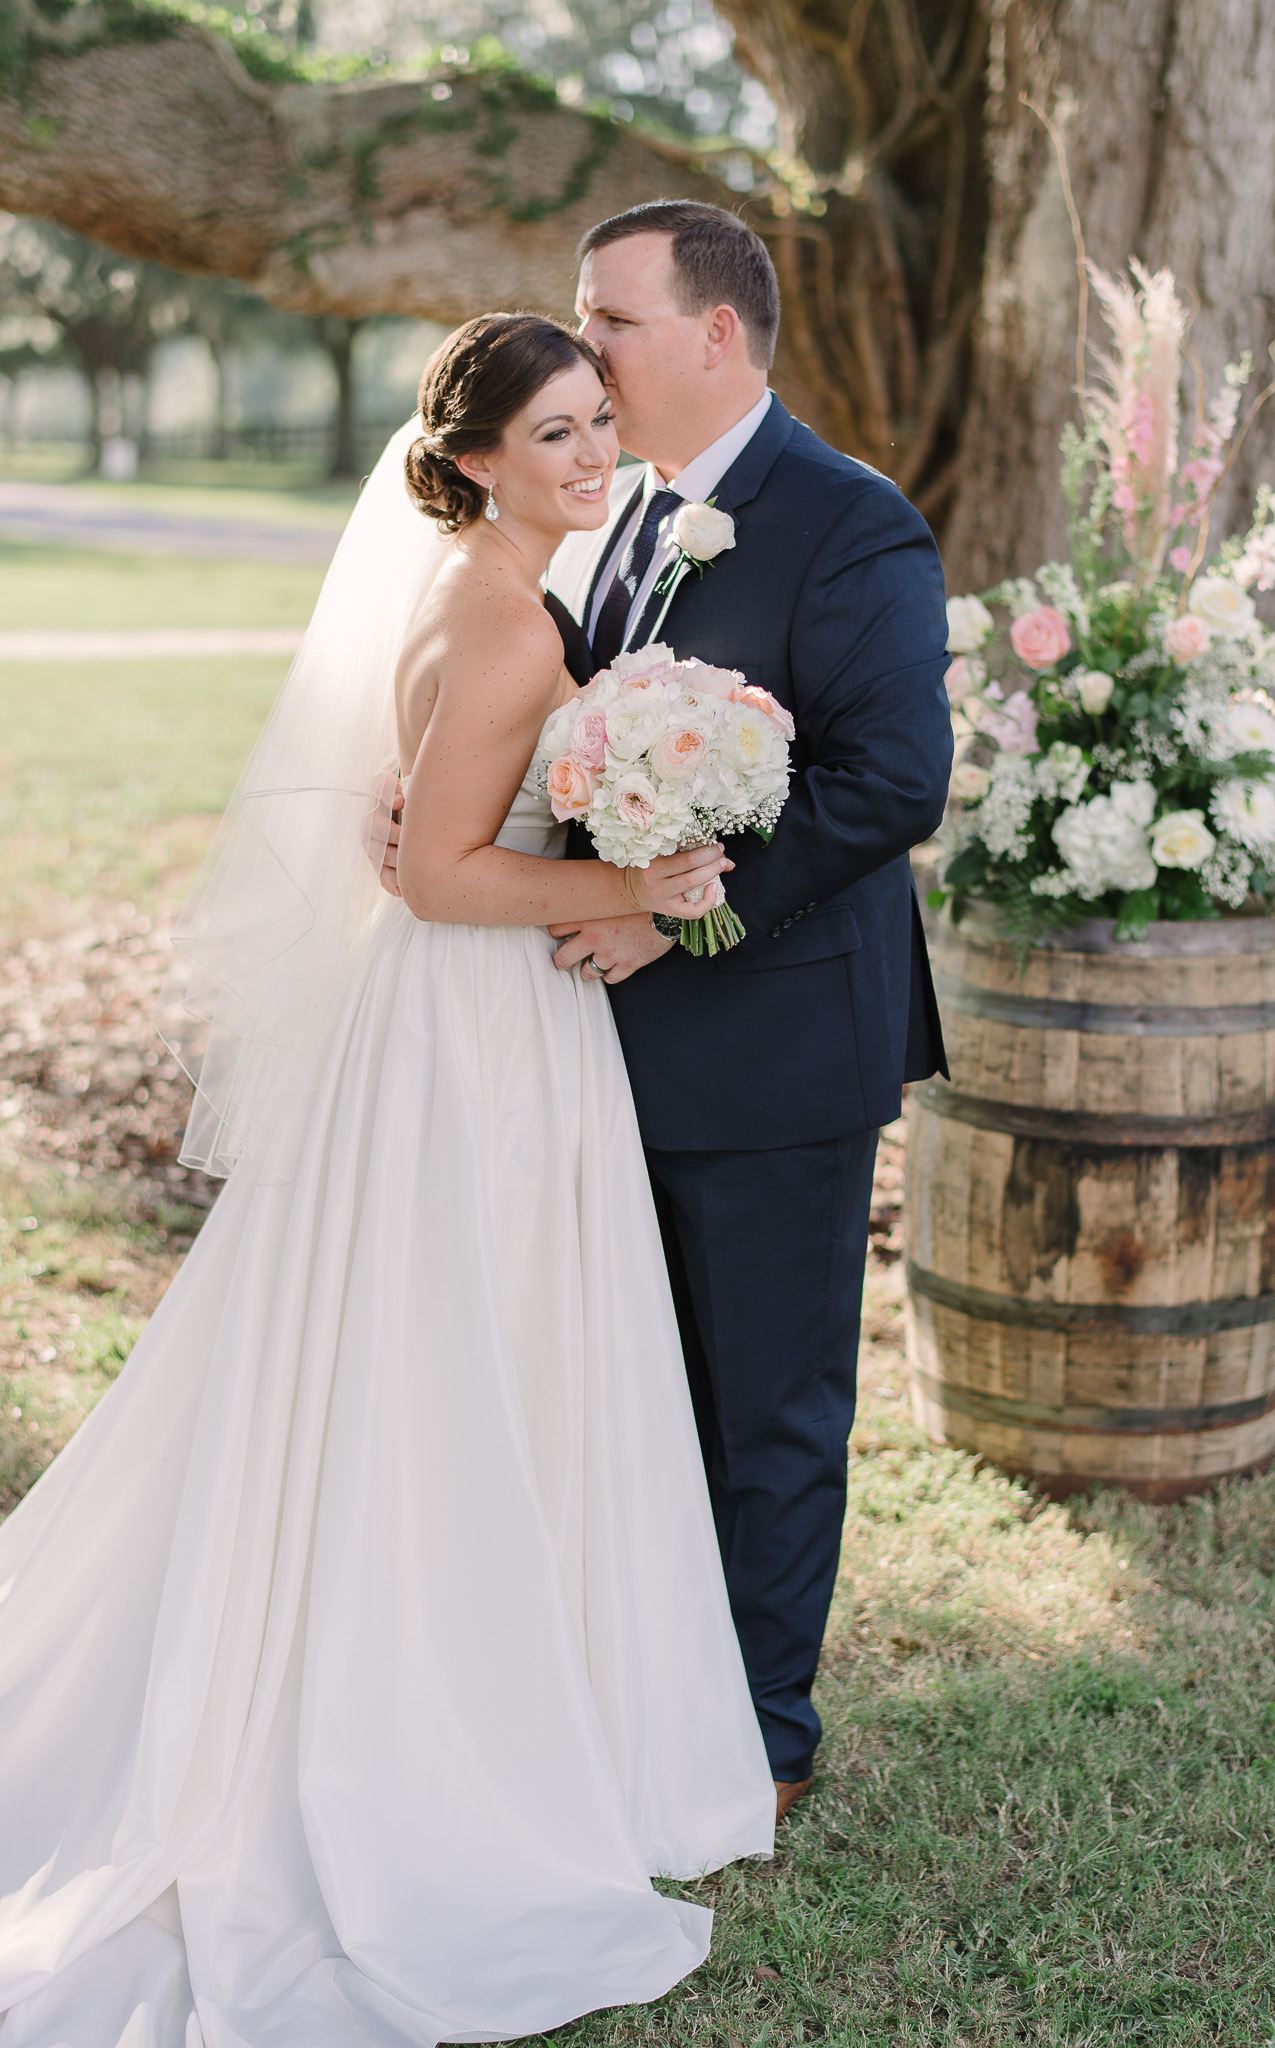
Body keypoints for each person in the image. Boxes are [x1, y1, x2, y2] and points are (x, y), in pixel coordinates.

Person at [0, 314, 775, 2048]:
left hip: (477, 1031)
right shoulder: (501, 614)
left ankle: (508, 1706)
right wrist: (634, 898)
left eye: (599, 426)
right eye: (555, 435)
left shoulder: (482, 588)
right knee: (456, 1371)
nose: (591, 458)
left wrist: (583, 853)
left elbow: (416, 818)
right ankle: (424, 1742)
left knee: (455, 1364)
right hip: (469, 1039)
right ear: (478, 454)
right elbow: (433, 876)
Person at [540, 202, 952, 1816]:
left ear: (716, 335)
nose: (586, 354)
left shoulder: (851, 522)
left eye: (611, 322)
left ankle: (760, 1743)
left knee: (770, 1408)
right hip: (612, 1040)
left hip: (778, 1036)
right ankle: (645, 1696)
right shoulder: (629, 517)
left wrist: (684, 916)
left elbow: (888, 782)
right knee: (643, 1386)